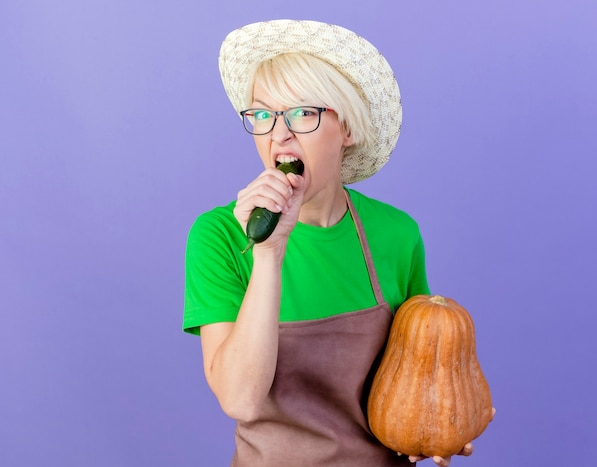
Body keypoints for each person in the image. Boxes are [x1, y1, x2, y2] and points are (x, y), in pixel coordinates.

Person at [183, 19, 491, 466]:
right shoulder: (221, 235)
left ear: (346, 129)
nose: (278, 134)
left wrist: (446, 423)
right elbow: (240, 400)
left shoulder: (396, 233)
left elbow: (422, 377)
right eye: (263, 114)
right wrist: (269, 253)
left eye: (302, 113)